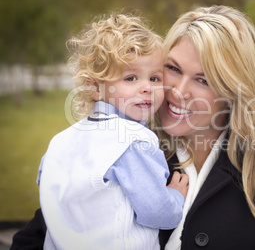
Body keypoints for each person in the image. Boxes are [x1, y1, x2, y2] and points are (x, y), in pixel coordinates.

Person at [11, 5, 255, 250]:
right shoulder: (120, 146)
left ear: (234, 92)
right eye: (173, 69)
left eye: (203, 80)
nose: (178, 91)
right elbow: (38, 236)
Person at [35, 13, 188, 250]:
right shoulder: (132, 141)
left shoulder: (60, 142)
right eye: (131, 77)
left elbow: (49, 190)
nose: (147, 87)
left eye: (155, 77)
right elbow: (158, 213)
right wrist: (176, 196)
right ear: (95, 87)